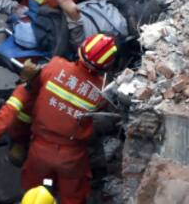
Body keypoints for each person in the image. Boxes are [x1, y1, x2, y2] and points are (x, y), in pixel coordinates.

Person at [16, 34, 118, 204]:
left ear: (80, 50)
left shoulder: (55, 66)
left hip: (39, 151)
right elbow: (104, 117)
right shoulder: (102, 93)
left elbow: (29, 96)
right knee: (73, 198)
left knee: (35, 196)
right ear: (107, 66)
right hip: (71, 159)